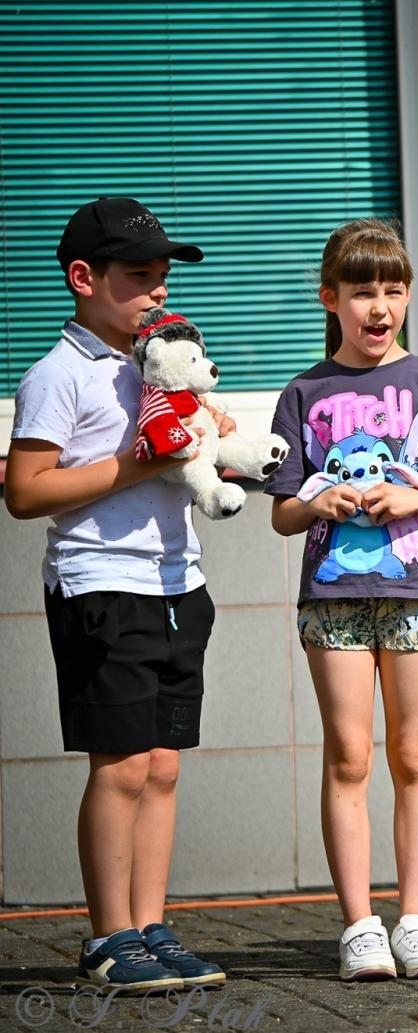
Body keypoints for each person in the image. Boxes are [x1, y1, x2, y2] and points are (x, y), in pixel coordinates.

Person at [7, 197, 226, 990]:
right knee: (122, 765)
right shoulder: (57, 374)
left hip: (177, 580)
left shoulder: (156, 364)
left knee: (163, 763)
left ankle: (149, 925)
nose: (156, 294)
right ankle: (107, 937)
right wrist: (141, 462)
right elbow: (26, 490)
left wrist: (211, 437)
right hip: (101, 585)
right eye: (139, 278)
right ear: (83, 278)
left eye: (162, 279)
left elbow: (192, 449)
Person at [265, 219, 418, 980]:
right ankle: (360, 923)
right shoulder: (304, 392)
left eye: (393, 289)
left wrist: (409, 496)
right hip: (332, 600)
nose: (379, 305)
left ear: (409, 295)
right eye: (362, 291)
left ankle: (416, 920)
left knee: (414, 752)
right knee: (350, 755)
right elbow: (282, 510)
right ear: (331, 298)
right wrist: (316, 506)